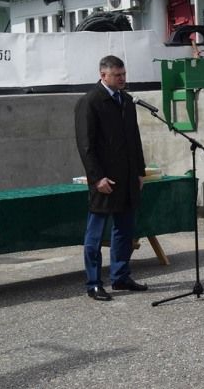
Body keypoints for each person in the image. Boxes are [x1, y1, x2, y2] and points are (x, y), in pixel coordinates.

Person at [75, 55, 147, 301]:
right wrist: (97, 178)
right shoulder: (90, 102)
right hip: (104, 180)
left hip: (127, 179)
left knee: (124, 231)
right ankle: (94, 283)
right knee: (95, 235)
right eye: (118, 75)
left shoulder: (126, 100)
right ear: (103, 75)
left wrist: (140, 171)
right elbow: (86, 145)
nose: (123, 79)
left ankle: (120, 276)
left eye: (124, 74)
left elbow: (134, 140)